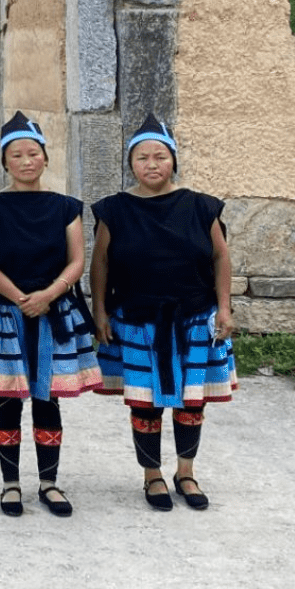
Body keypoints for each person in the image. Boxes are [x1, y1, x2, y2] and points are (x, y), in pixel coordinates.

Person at [0, 113, 101, 517]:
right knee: (7, 399)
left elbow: (76, 261)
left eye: (33, 153)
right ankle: (10, 484)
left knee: (47, 398)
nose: (26, 160)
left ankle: (50, 482)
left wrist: (48, 294)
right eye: (16, 154)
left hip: (54, 312)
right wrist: (21, 297)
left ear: (46, 158)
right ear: (5, 162)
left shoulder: (66, 207)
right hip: (4, 313)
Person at [90, 114, 237, 511]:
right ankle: (151, 475)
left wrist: (224, 307)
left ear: (173, 160)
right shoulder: (113, 210)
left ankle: (185, 472)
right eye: (142, 158)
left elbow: (221, 256)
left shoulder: (202, 207)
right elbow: (100, 263)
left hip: (193, 318)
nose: (151, 164)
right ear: (131, 164)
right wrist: (98, 310)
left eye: (159, 156)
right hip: (137, 320)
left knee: (192, 402)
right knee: (145, 402)